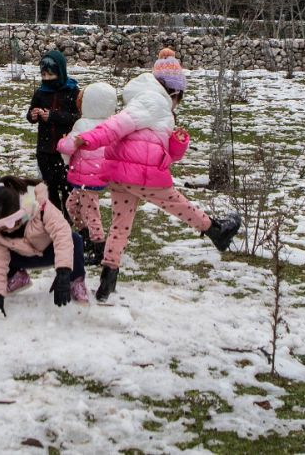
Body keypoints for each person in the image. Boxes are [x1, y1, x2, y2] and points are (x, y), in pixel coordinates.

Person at [58, 50, 242, 302]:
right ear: (174, 92)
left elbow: (165, 152)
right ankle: (215, 230)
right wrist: (87, 138)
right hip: (139, 174)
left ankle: (107, 281)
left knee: (120, 225)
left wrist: (178, 143)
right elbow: (116, 125)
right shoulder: (151, 101)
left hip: (121, 174)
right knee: (176, 203)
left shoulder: (150, 102)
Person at [0, 176, 88, 321]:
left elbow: (62, 235)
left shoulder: (41, 207)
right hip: (20, 257)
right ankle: (16, 277)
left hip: (49, 253)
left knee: (74, 239)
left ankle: (75, 280)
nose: (6, 228)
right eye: (0, 225)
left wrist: (63, 272)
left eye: (10, 222)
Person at [63, 81, 117, 266]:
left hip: (87, 177)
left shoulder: (82, 124)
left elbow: (68, 147)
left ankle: (98, 246)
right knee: (72, 204)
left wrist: (63, 143)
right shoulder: (111, 123)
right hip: (94, 175)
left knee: (89, 211)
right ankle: (84, 236)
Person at [25, 50, 80, 214]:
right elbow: (30, 113)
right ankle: (53, 217)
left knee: (67, 187)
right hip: (45, 149)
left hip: (65, 151)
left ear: (60, 72)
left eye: (51, 75)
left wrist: (54, 116)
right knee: (50, 187)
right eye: (44, 75)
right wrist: (33, 115)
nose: (47, 79)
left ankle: (69, 218)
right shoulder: (41, 92)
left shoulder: (72, 92)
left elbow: (77, 118)